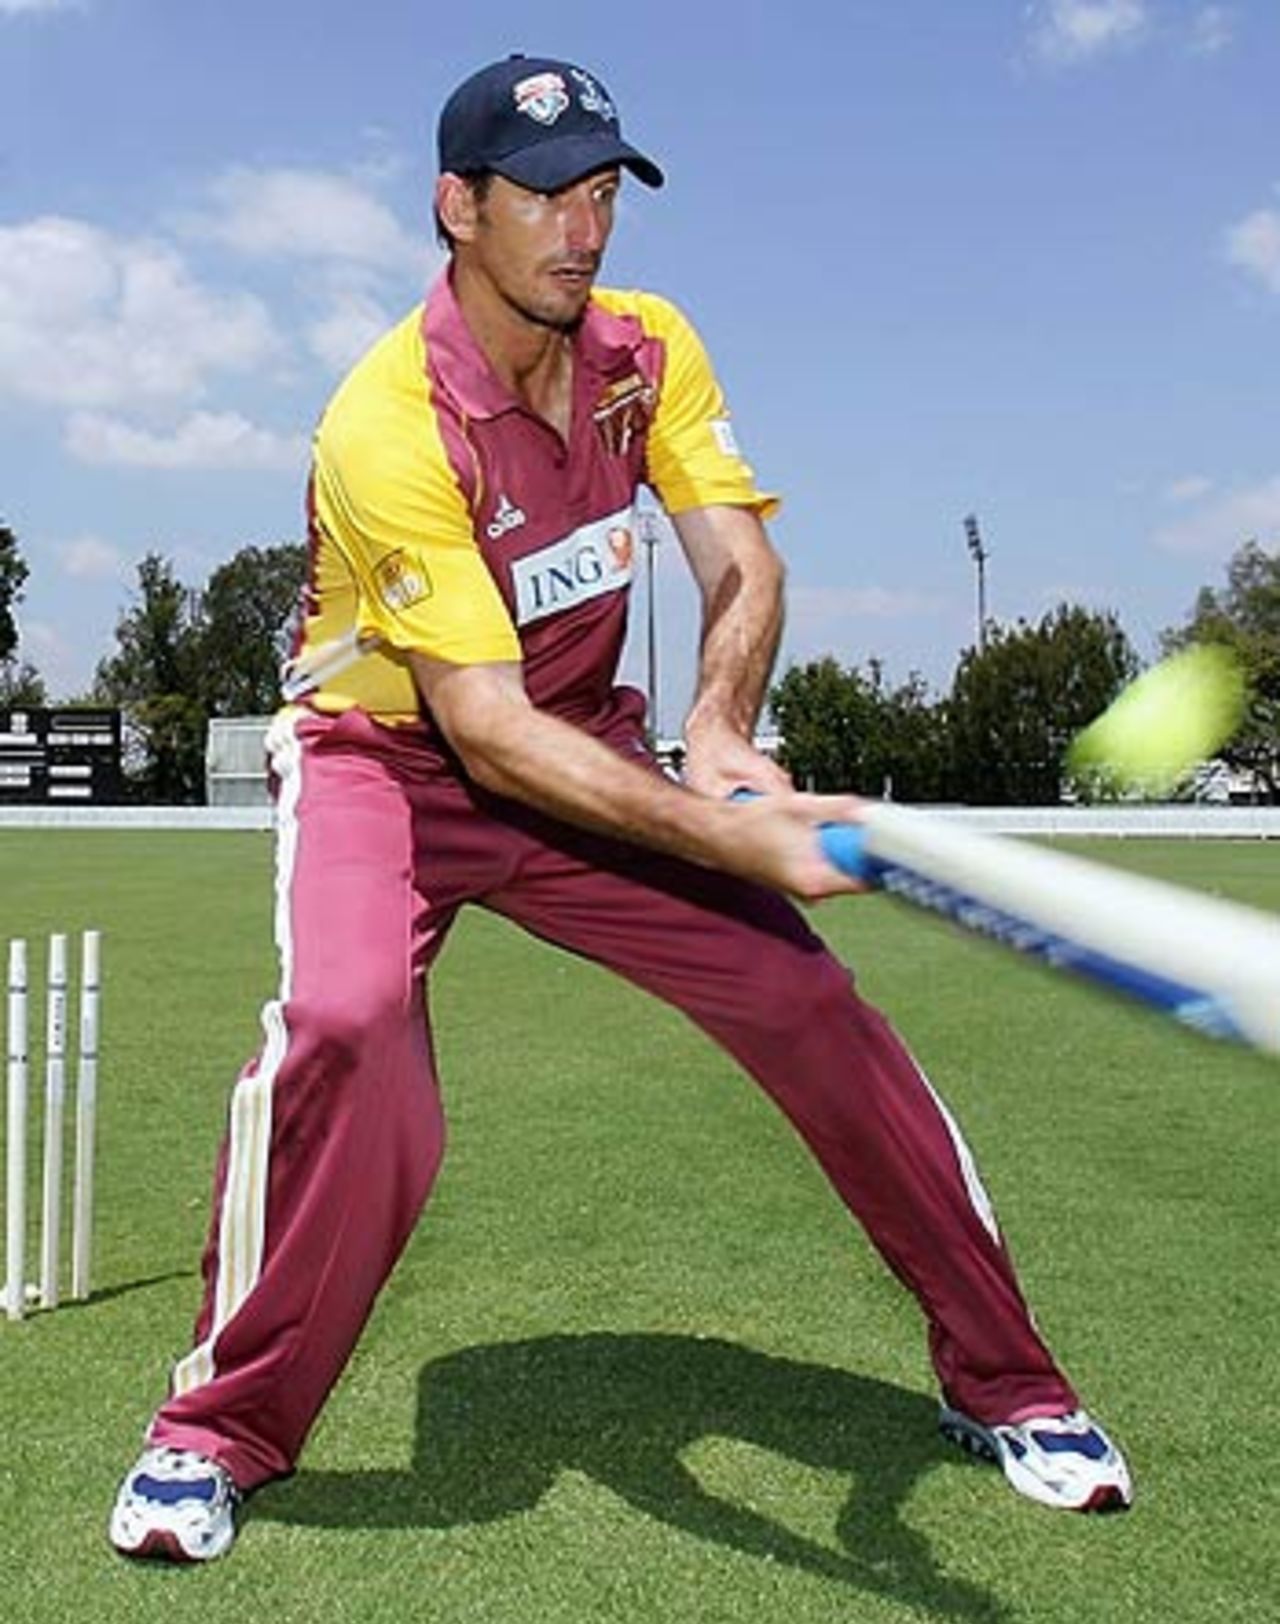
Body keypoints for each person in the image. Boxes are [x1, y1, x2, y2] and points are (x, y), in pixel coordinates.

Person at [109, 53, 1131, 1564]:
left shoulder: (648, 353)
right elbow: (484, 731)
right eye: (544, 200)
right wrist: (734, 834)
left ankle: (1010, 1384)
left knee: (808, 1002)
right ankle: (216, 1430)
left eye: (601, 195)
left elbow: (744, 566)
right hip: (392, 763)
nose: (582, 233)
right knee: (345, 1031)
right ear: (456, 209)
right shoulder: (386, 421)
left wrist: (719, 727)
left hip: (582, 741)